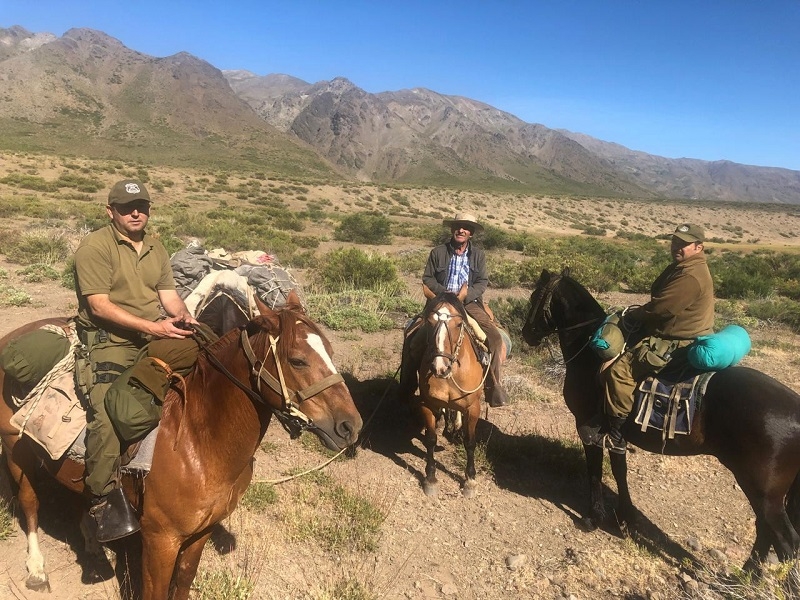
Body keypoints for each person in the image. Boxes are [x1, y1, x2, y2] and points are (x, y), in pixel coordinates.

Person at [73, 179, 199, 542]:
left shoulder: (156, 247)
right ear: (110, 210)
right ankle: (99, 499)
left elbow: (169, 296)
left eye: (142, 205)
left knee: (209, 364)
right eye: (127, 207)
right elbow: (99, 305)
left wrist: (184, 319)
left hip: (151, 333)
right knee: (111, 410)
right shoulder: (95, 247)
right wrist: (154, 328)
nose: (136, 212)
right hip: (109, 340)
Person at [579, 223, 715, 453]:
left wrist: (635, 314)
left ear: (699, 247)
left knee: (619, 373)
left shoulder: (691, 275)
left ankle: (615, 435)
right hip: (674, 332)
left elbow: (661, 309)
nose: (677, 247)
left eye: (684, 244)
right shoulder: (683, 267)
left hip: (677, 340)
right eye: (675, 242)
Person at [399, 212, 509, 408]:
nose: (461, 230)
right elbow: (428, 278)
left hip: (469, 303)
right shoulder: (438, 252)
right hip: (440, 302)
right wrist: (446, 294)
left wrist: (465, 295)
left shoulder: (478, 255)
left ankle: (494, 387)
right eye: (458, 226)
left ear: (471, 233)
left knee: (494, 338)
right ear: (452, 230)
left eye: (466, 227)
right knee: (413, 337)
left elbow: (482, 282)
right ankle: (407, 386)